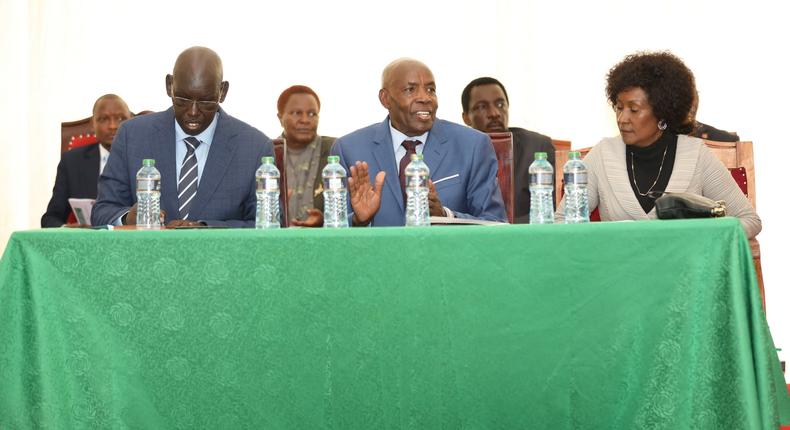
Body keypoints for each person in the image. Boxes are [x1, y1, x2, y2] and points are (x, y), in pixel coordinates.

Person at [555, 51, 761, 239]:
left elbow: (749, 221)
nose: (622, 118)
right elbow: (562, 223)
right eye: (619, 108)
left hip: (683, 276)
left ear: (662, 112)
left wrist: (700, 240)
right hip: (619, 273)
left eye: (634, 110)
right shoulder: (603, 155)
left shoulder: (695, 155)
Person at [92, 46, 272, 228]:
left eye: (206, 101)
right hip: (147, 254)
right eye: (182, 100)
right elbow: (102, 211)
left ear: (222, 91)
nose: (193, 112)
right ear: (169, 85)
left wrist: (205, 228)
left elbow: (266, 225)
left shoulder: (254, 147)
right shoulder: (132, 136)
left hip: (221, 255)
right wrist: (127, 218)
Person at [330, 58, 506, 226]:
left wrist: (444, 216)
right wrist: (358, 221)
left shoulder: (472, 145)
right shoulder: (349, 149)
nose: (425, 98)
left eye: (430, 89)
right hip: (376, 256)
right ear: (385, 99)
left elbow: (495, 224)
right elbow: (332, 236)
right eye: (410, 89)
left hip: (446, 256)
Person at [461, 77, 556, 223]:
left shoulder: (537, 148)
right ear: (466, 117)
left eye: (500, 104)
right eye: (482, 106)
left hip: (526, 237)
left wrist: (504, 230)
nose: (494, 113)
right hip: (474, 238)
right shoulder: (457, 151)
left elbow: (548, 211)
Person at [41, 94, 132, 227]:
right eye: (104, 119)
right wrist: (68, 229)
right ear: (92, 124)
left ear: (132, 121)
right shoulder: (71, 162)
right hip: (86, 242)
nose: (113, 126)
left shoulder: (145, 160)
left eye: (120, 118)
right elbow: (50, 218)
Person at [276, 85, 334, 227]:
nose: (305, 120)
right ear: (280, 117)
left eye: (312, 114)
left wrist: (324, 221)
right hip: (275, 243)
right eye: (297, 113)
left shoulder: (335, 151)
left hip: (325, 243)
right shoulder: (266, 154)